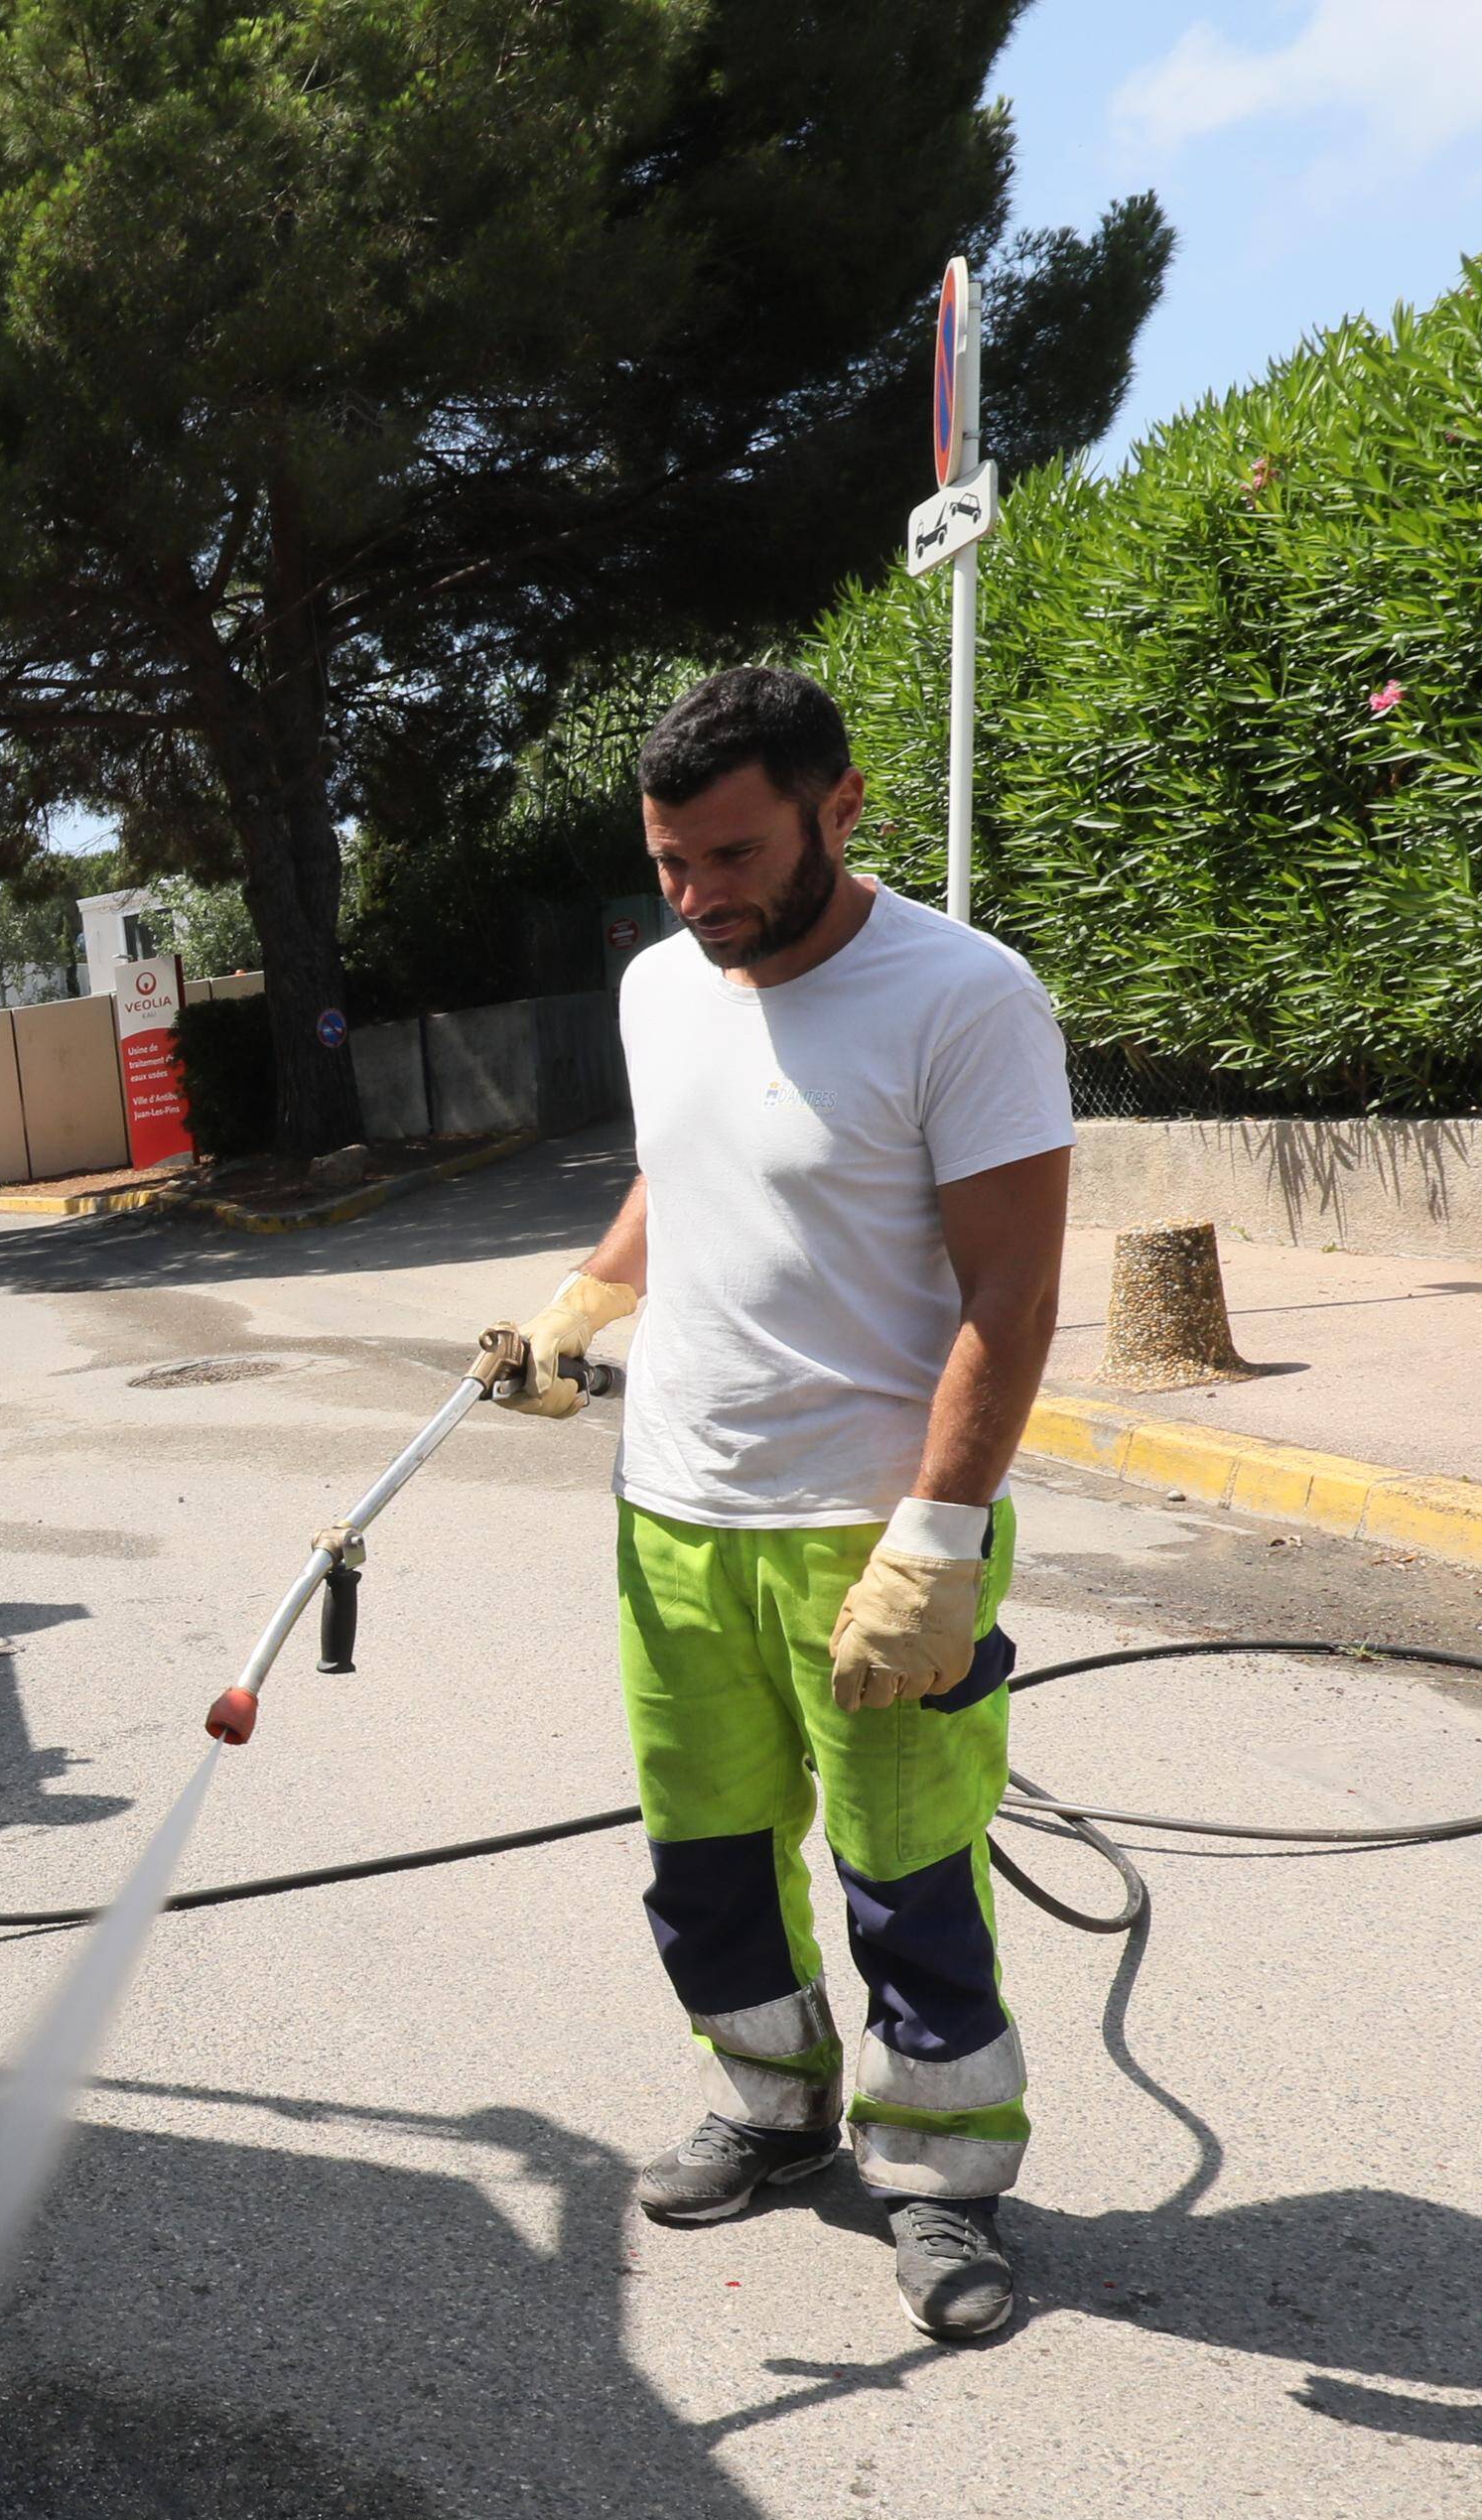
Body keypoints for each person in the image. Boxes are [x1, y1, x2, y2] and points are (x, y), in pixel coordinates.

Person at [472, 666, 1073, 2341]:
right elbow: (688, 1163)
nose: (698, 896)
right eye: (670, 863)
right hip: (673, 1512)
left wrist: (941, 1538)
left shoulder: (964, 998)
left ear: (843, 804)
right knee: (707, 1864)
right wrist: (585, 1306)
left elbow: (1012, 1296)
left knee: (907, 1875)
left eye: (730, 854)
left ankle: (946, 2184)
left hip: (868, 1530)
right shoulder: (668, 985)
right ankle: (774, 2102)